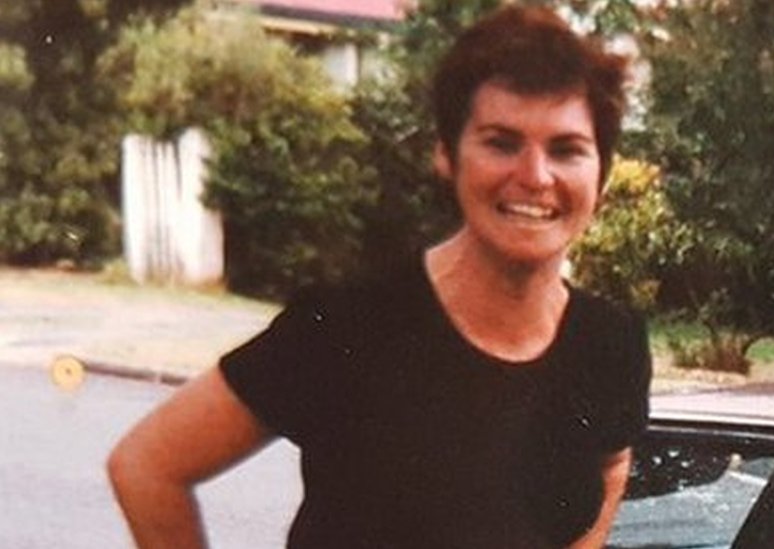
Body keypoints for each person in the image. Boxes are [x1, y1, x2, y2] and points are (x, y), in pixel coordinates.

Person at [107, 5, 651, 548]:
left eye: (566, 149)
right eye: (501, 142)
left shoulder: (609, 345)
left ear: (600, 172)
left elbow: (610, 465)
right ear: (447, 154)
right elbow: (148, 466)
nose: (535, 175)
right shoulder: (347, 327)